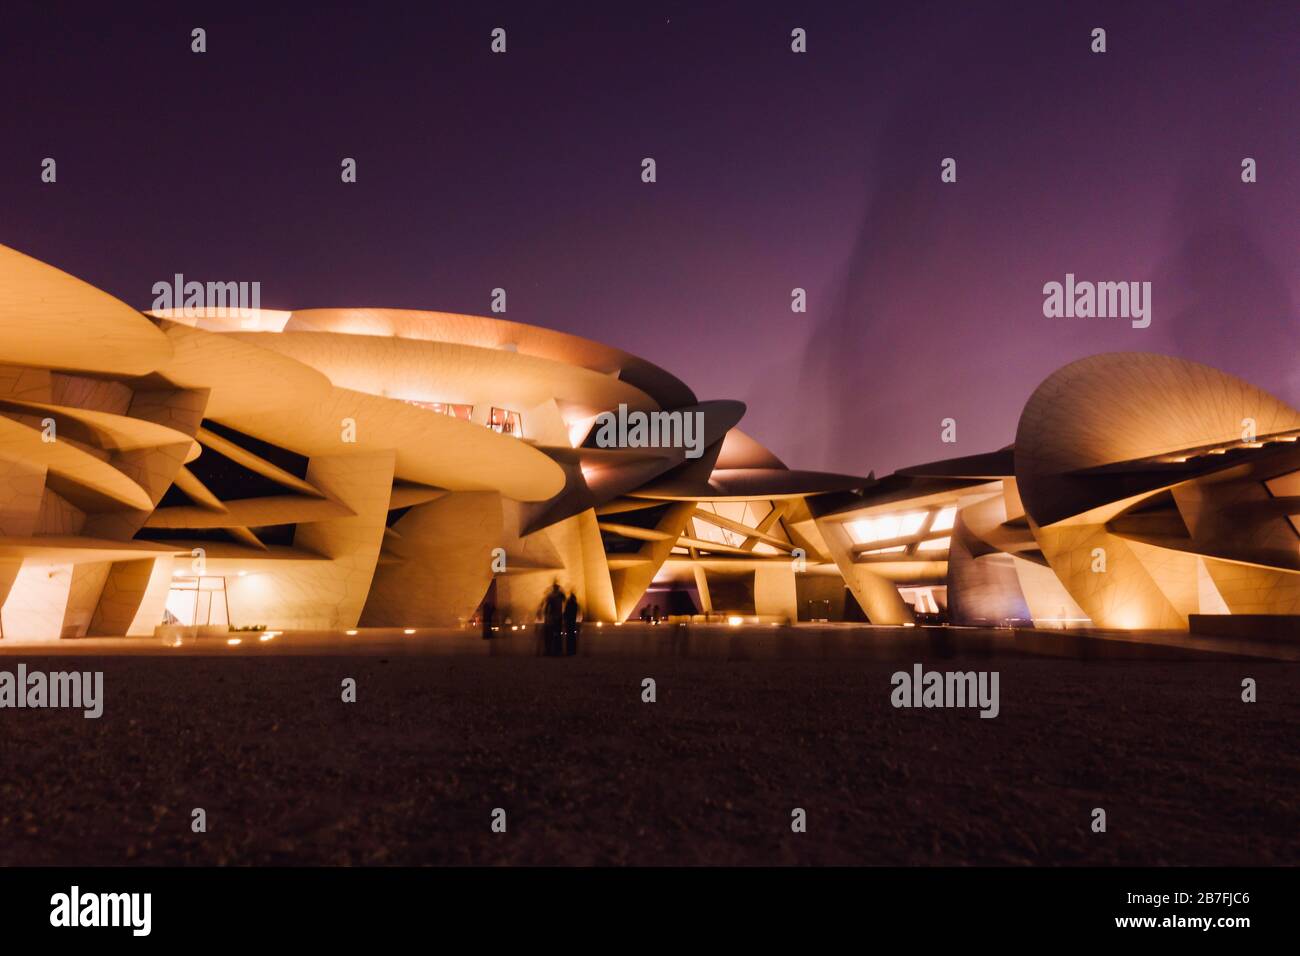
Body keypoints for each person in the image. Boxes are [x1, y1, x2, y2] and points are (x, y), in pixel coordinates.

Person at [543, 581, 565, 656]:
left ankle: (555, 650)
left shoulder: (552, 596)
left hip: (555, 617)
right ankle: (556, 650)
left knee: (554, 634)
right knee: (556, 634)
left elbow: (547, 606)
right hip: (556, 617)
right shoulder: (558, 595)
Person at [563, 591, 580, 656]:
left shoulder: (570, 604)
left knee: (569, 637)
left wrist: (564, 619)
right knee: (572, 637)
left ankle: (569, 650)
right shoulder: (575, 604)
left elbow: (565, 613)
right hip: (572, 622)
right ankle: (572, 650)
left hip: (569, 622)